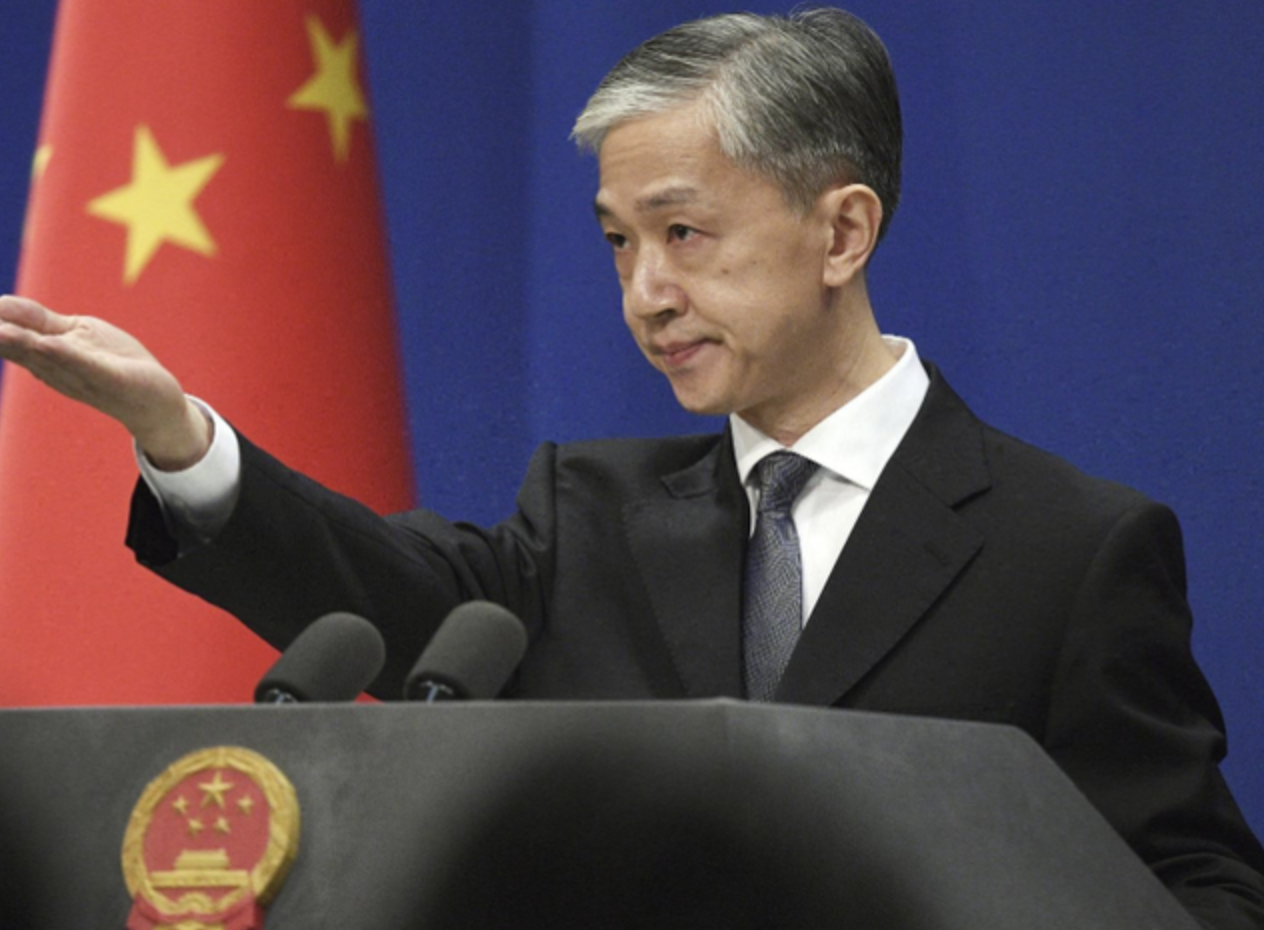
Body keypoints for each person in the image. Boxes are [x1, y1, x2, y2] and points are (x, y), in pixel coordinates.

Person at [1, 8, 1262, 928]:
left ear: (841, 231)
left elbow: (1194, 888)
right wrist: (180, 438)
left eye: (684, 232)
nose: (646, 292)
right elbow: (383, 594)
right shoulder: (586, 515)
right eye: (618, 242)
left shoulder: (1067, 546)